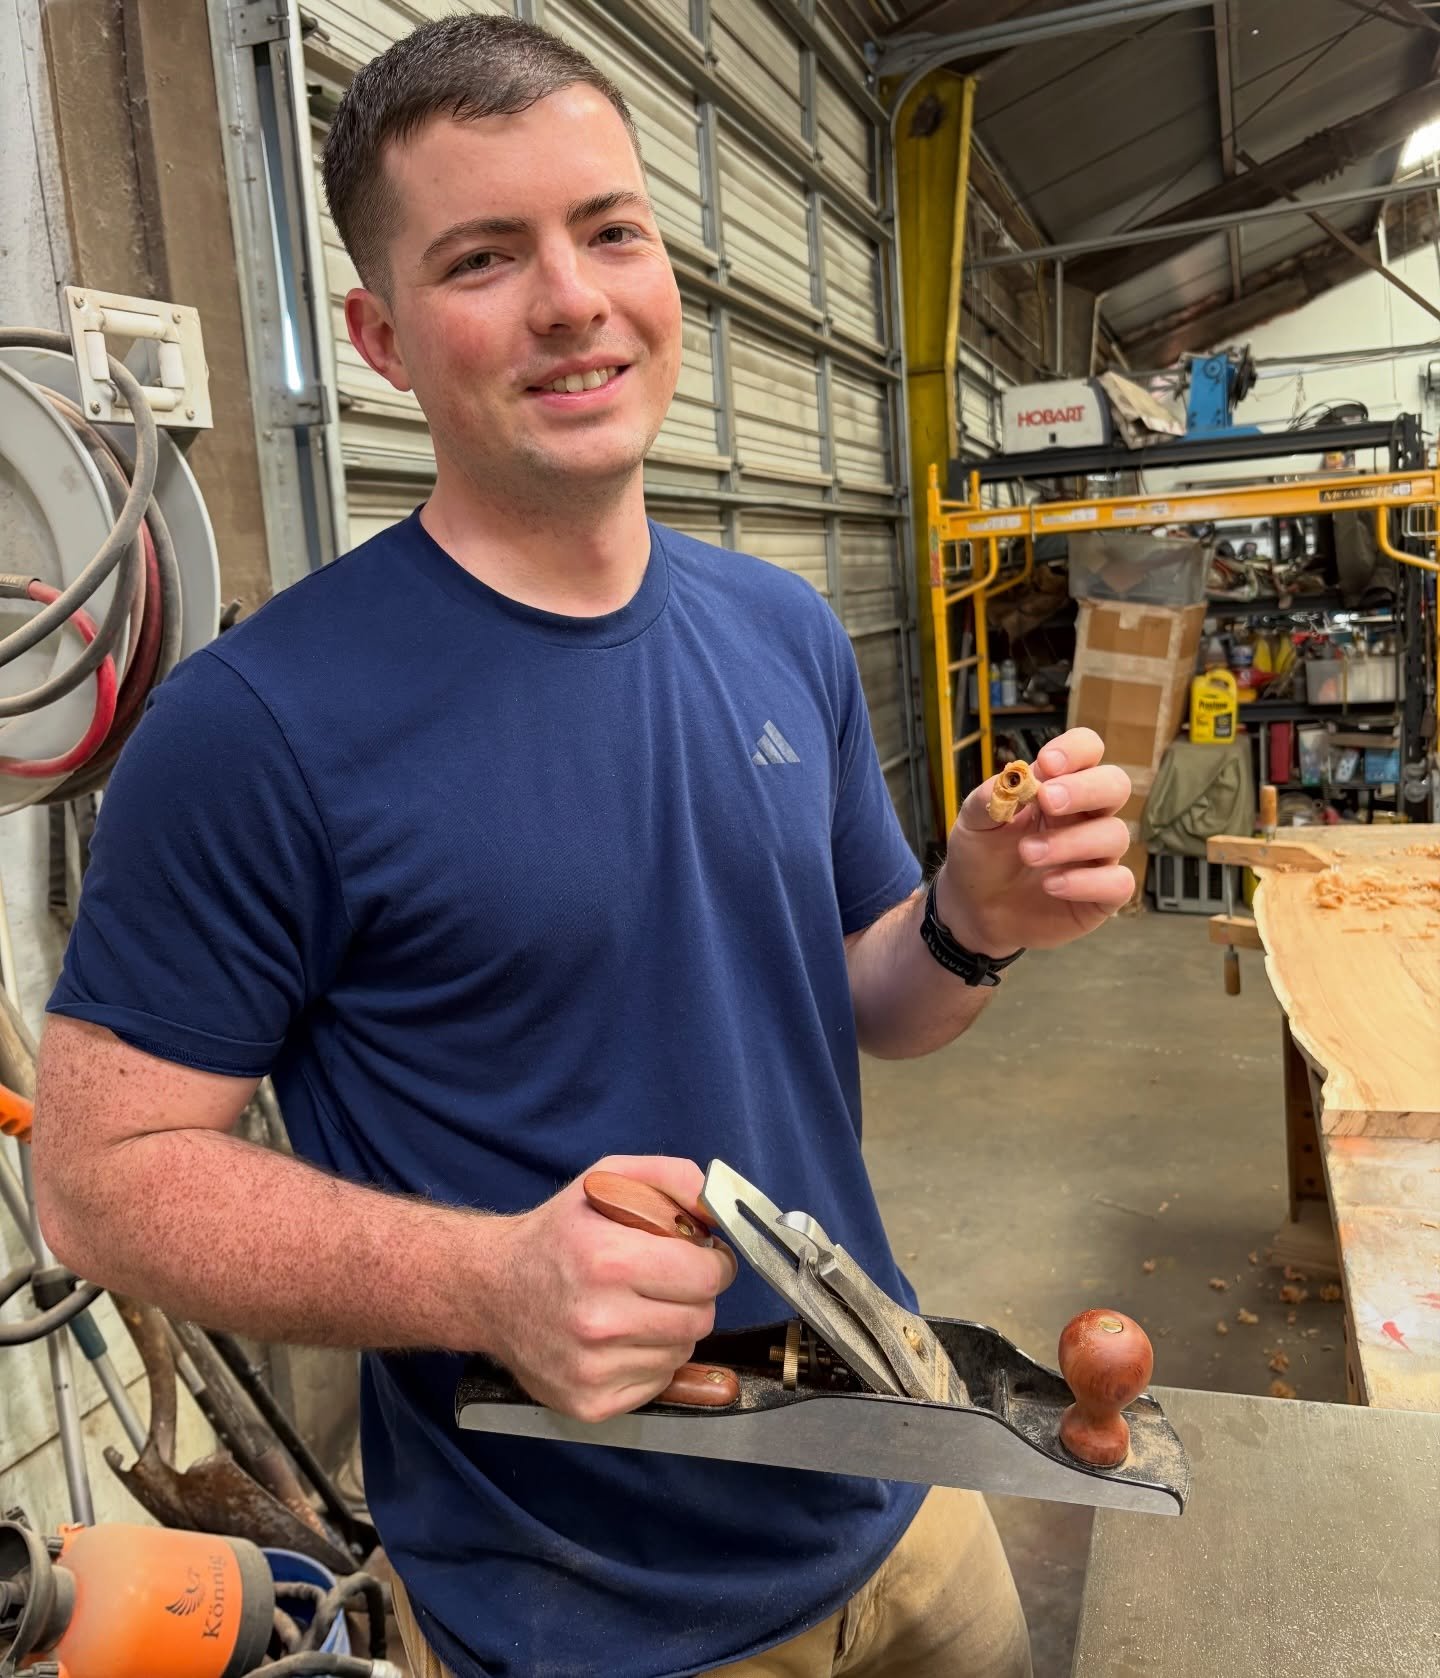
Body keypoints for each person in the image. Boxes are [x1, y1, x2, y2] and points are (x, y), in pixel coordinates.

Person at [31, 16, 1133, 1678]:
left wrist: (971, 918)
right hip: (581, 1613)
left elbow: (871, 999)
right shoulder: (256, 727)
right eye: (484, 256)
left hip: (898, 1486)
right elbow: (97, 1185)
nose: (574, 299)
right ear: (381, 336)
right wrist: (491, 1277)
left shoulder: (780, 631)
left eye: (610, 228)